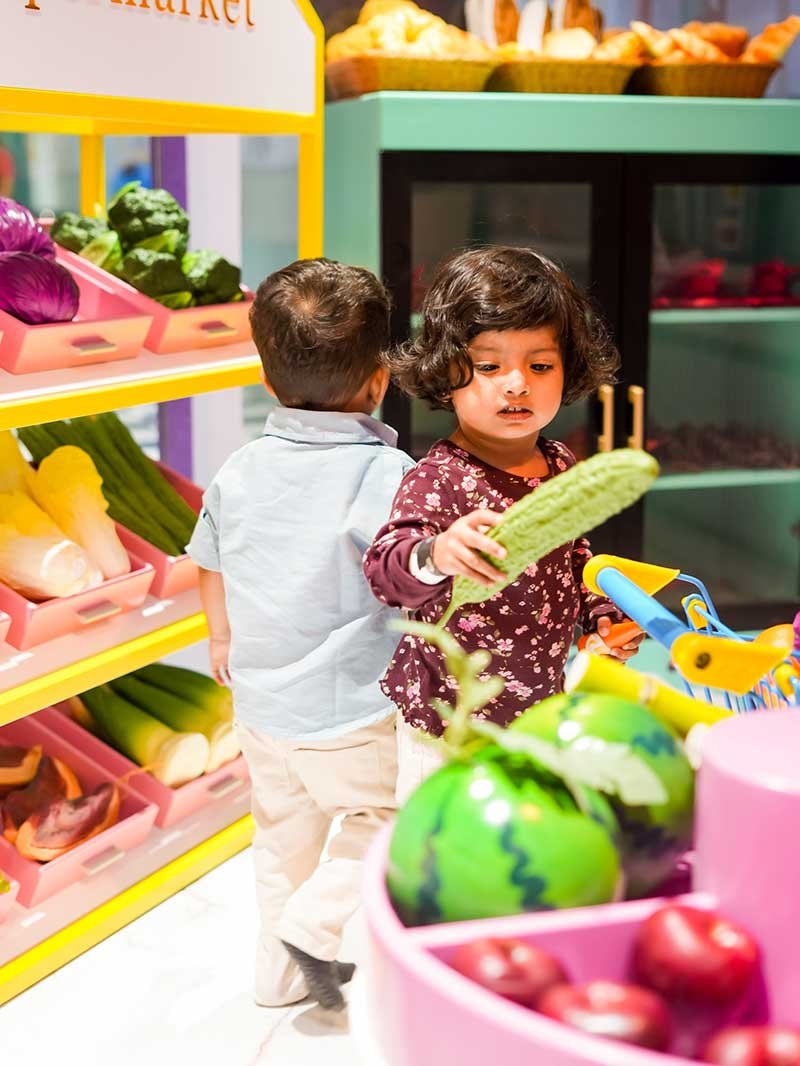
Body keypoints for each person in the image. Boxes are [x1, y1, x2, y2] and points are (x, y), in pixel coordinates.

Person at [187, 258, 413, 1012]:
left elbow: (208, 559)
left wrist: (220, 642)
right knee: (387, 816)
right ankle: (315, 929)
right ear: (380, 380)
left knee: (280, 844)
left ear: (264, 375)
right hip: (352, 713)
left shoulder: (239, 470)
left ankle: (275, 979)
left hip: (261, 709)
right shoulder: (385, 475)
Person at [363, 245, 644, 802]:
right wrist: (439, 552)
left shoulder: (560, 463)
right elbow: (385, 572)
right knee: (440, 855)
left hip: (538, 708)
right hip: (445, 723)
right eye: (489, 366)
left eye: (540, 366)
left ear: (569, 370)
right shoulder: (437, 478)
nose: (517, 384)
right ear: (447, 374)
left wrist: (602, 617)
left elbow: (573, 559)